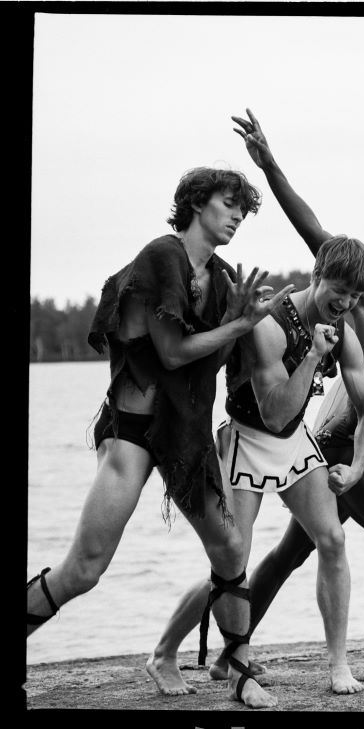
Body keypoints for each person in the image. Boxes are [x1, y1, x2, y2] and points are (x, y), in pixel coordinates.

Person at [147, 108, 364, 685]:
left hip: (360, 453)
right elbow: (311, 226)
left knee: (285, 557)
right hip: (316, 442)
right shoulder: (359, 302)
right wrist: (270, 164)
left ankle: (242, 650)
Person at [26, 167, 294, 709]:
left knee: (230, 545)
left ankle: (240, 667)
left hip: (185, 437)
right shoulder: (161, 257)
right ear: (197, 204)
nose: (238, 216)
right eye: (229, 203)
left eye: (244, 209)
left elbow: (229, 355)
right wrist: (239, 326)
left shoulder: (221, 281)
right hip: (132, 432)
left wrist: (267, 325)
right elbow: (171, 353)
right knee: (85, 567)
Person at [151, 235, 364, 696]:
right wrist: (314, 355)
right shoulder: (271, 324)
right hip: (248, 439)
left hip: (294, 443)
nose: (347, 302)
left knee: (332, 540)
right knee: (230, 562)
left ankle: (338, 666)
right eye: (341, 290)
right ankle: (164, 654)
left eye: (356, 296)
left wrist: (355, 469)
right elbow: (274, 411)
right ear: (318, 275)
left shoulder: (345, 334)